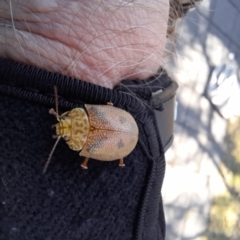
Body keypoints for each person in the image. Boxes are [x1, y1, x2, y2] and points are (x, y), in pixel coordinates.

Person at [0, 1, 197, 239]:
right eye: (65, 127)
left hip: (124, 133)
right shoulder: (85, 134)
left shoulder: (87, 137)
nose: (62, 126)